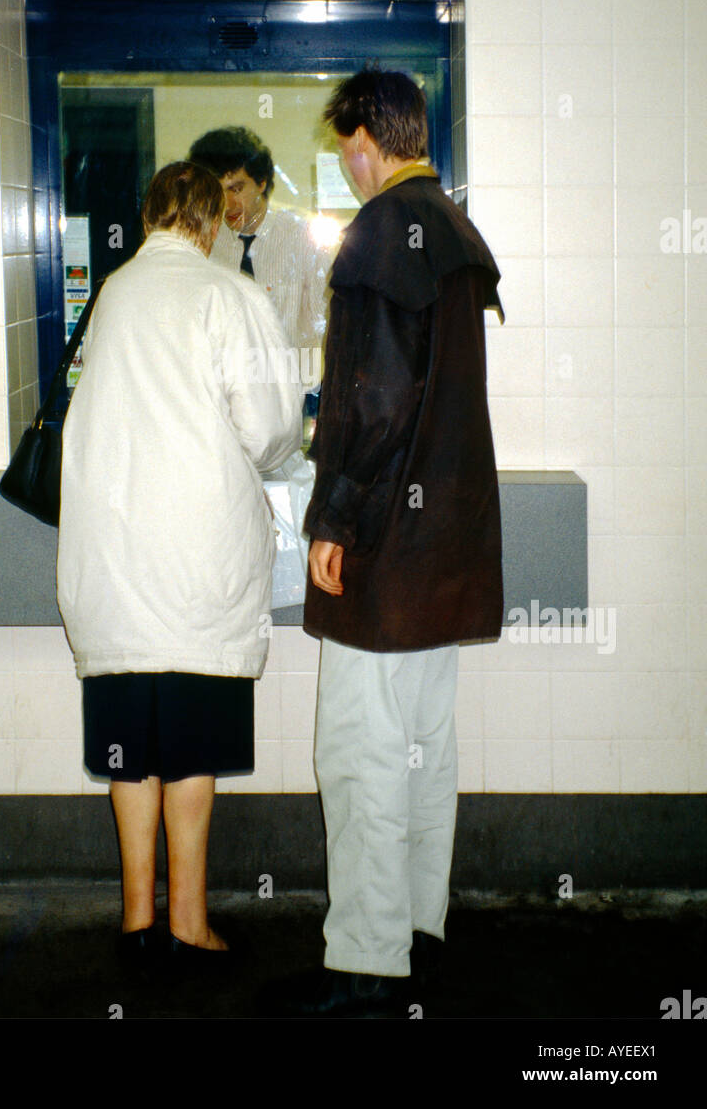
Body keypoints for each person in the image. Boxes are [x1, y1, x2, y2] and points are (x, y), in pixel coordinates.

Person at [272, 68, 504, 1017]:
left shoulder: (378, 233)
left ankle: (366, 965)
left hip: (383, 555)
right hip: (444, 550)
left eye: (345, 147)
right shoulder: (453, 229)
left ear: (372, 133)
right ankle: (414, 928)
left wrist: (334, 523)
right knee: (423, 747)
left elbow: (371, 398)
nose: (346, 165)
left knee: (362, 751)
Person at [56, 161, 302, 961]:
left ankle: (136, 919)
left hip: (114, 563)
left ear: (150, 214)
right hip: (197, 564)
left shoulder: (112, 296)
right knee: (192, 752)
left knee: (131, 753)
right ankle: (189, 922)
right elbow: (271, 432)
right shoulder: (228, 296)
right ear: (207, 223)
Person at [188, 126, 330, 393]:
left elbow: (323, 326)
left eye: (236, 188)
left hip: (292, 397)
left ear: (262, 183)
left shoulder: (303, 239)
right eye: (217, 191)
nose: (227, 204)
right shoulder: (203, 245)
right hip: (224, 398)